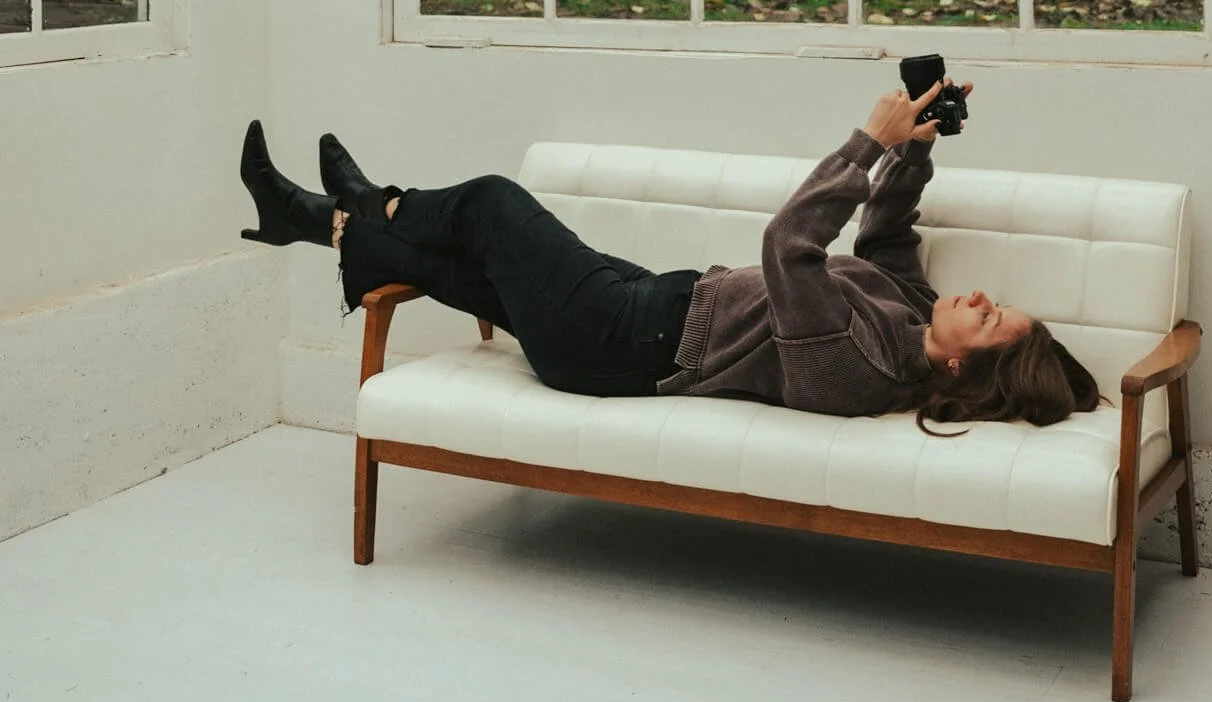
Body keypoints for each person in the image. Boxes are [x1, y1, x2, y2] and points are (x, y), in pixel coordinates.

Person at [238, 80, 1099, 430]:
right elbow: (884, 235)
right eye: (992, 302)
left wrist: (863, 143)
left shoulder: (859, 366)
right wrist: (915, 142)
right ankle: (313, 219)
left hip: (617, 345)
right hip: (648, 305)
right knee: (452, 264)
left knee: (491, 205)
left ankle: (364, 203)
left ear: (958, 373)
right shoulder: (910, 319)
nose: (978, 296)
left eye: (987, 320)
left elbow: (789, 248)